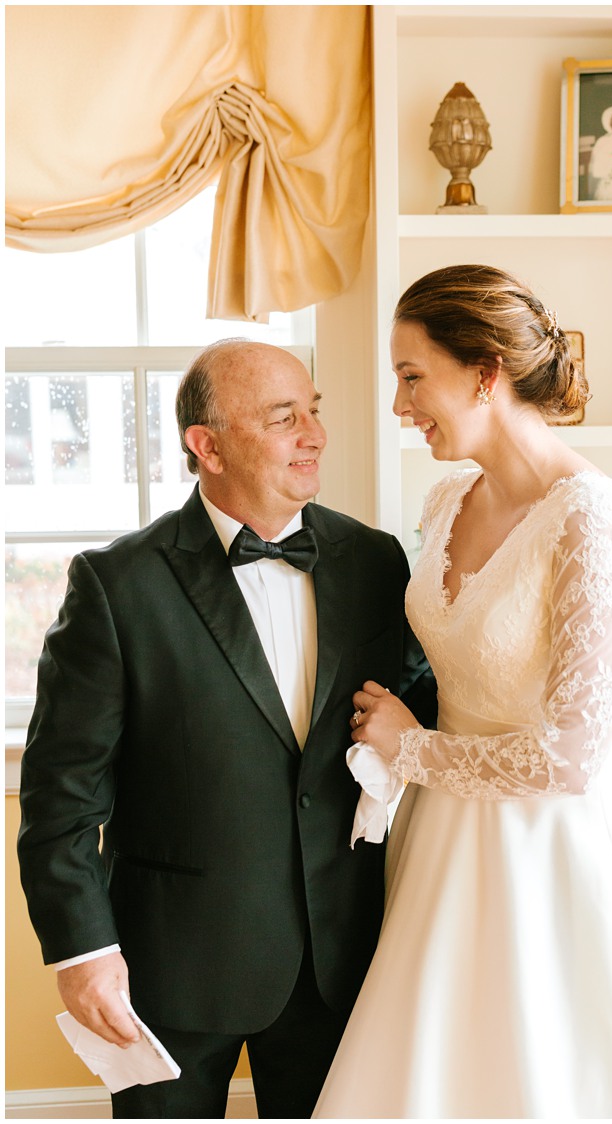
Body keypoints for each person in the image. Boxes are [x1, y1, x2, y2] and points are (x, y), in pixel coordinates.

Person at [313, 264, 612, 1117]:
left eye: (411, 378)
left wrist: (412, 748)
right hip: (442, 838)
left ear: (484, 373)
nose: (400, 406)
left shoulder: (593, 517)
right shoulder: (445, 500)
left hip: (556, 844)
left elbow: (573, 757)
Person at [16, 340, 435, 1118]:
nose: (314, 434)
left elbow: (422, 714)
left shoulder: (376, 562)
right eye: (284, 417)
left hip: (341, 959)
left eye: (314, 411)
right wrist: (83, 953)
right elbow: (60, 799)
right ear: (206, 446)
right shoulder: (115, 586)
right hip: (170, 967)